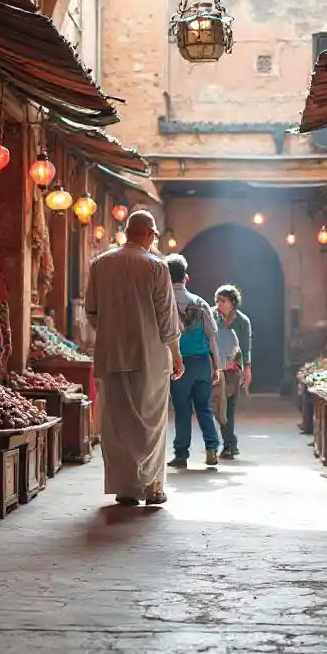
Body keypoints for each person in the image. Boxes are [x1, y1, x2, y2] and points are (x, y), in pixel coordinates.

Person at [84, 211, 184, 506]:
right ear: (150, 235)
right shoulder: (157, 266)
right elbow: (167, 318)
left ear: (127, 232)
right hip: (149, 356)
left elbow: (91, 311)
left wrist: (112, 332)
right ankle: (152, 487)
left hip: (110, 354)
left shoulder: (100, 264)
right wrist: (176, 354)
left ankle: (125, 488)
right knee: (150, 422)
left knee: (117, 423)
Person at [164, 254, 223, 469]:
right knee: (204, 408)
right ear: (185, 278)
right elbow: (212, 337)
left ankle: (181, 455)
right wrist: (216, 366)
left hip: (177, 365)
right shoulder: (201, 303)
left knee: (182, 411)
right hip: (201, 364)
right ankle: (211, 449)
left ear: (166, 278)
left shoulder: (164, 304)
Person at [214, 285, 252, 459]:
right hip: (217, 369)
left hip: (233, 371)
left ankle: (229, 444)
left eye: (223, 301)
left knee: (229, 407)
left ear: (233, 302)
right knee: (219, 406)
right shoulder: (212, 317)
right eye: (217, 301)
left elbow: (245, 348)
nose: (219, 304)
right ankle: (229, 443)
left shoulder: (242, 322)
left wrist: (247, 369)